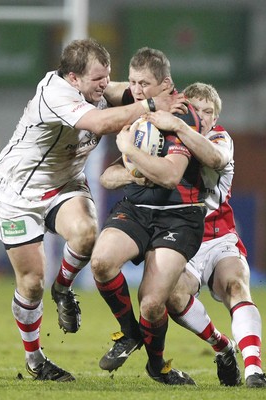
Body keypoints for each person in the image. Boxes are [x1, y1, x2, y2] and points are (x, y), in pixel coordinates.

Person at [0, 38, 186, 382]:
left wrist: (171, 97)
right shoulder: (55, 93)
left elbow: (129, 92)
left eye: (107, 76)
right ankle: (35, 361)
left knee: (86, 234)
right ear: (74, 79)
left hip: (64, 185)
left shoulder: (95, 88)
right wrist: (153, 103)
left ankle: (63, 289)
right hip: (17, 192)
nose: (104, 85)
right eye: (98, 79)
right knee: (32, 282)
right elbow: (99, 124)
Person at [100, 82, 266, 388]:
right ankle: (223, 347)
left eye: (209, 112)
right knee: (170, 299)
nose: (202, 117)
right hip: (179, 236)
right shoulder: (160, 140)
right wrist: (134, 166)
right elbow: (109, 175)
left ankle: (255, 371)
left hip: (218, 236)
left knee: (235, 285)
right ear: (185, 107)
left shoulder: (218, 138)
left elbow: (215, 159)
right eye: (197, 109)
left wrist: (177, 124)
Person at [89, 47, 207, 386]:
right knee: (101, 262)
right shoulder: (141, 100)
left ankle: (157, 366)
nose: (137, 91)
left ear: (166, 84)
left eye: (145, 84)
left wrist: (128, 150)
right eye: (134, 82)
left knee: (153, 304)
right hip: (136, 210)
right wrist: (133, 174)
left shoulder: (181, 115)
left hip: (178, 216)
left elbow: (170, 176)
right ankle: (129, 335)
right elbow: (108, 178)